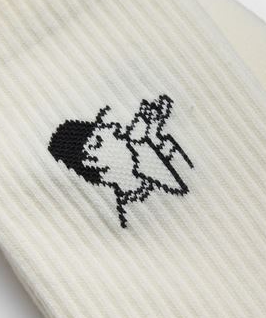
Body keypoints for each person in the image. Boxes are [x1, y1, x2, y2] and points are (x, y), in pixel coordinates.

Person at [49, 95, 194, 228]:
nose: (114, 127)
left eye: (104, 126)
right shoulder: (135, 213)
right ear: (91, 161)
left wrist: (150, 130)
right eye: (99, 139)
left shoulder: (159, 148)